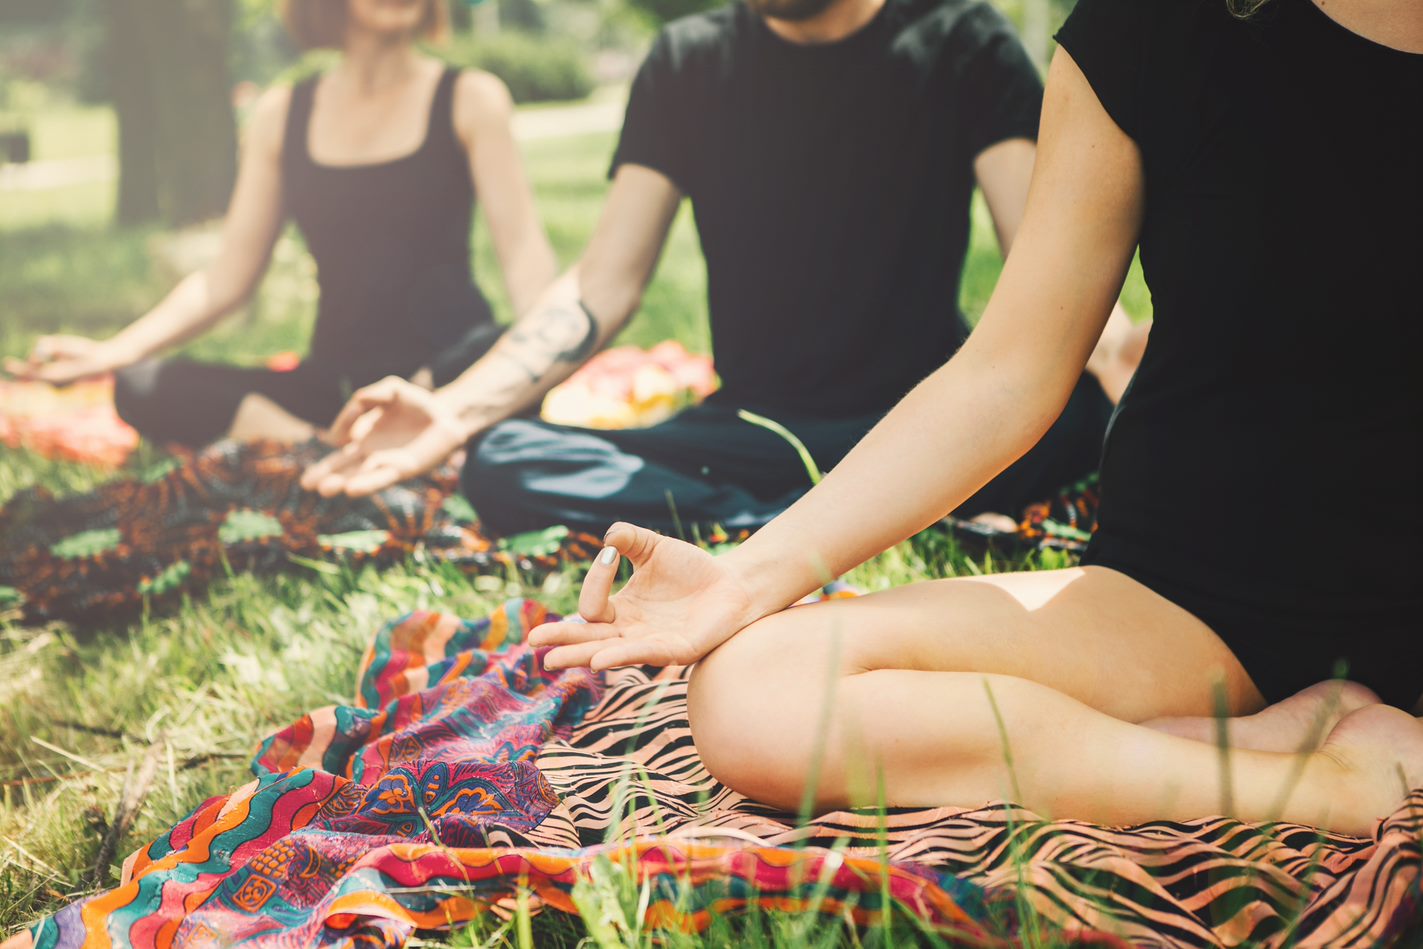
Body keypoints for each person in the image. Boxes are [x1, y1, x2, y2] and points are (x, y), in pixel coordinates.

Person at [528, 0, 1423, 836]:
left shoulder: (957, 43)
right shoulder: (1151, 28)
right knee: (758, 692)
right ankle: (1310, 781)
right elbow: (1009, 371)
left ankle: (1238, 747)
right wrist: (744, 578)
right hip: (1201, 603)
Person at [300, 0, 1148, 535]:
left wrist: (1124, 356)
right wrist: (450, 413)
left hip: (925, 424)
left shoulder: (962, 40)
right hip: (750, 434)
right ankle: (814, 526)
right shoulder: (685, 64)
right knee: (504, 460)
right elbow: (604, 283)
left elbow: (1048, 266)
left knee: (1071, 416)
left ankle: (824, 520)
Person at [8, 0, 555, 449]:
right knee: (141, 384)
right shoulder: (282, 113)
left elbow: (525, 254)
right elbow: (226, 279)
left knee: (519, 344)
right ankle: (322, 443)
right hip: (333, 382)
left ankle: (384, 430)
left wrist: (539, 351)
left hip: (448, 370)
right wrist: (114, 351)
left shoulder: (471, 97)